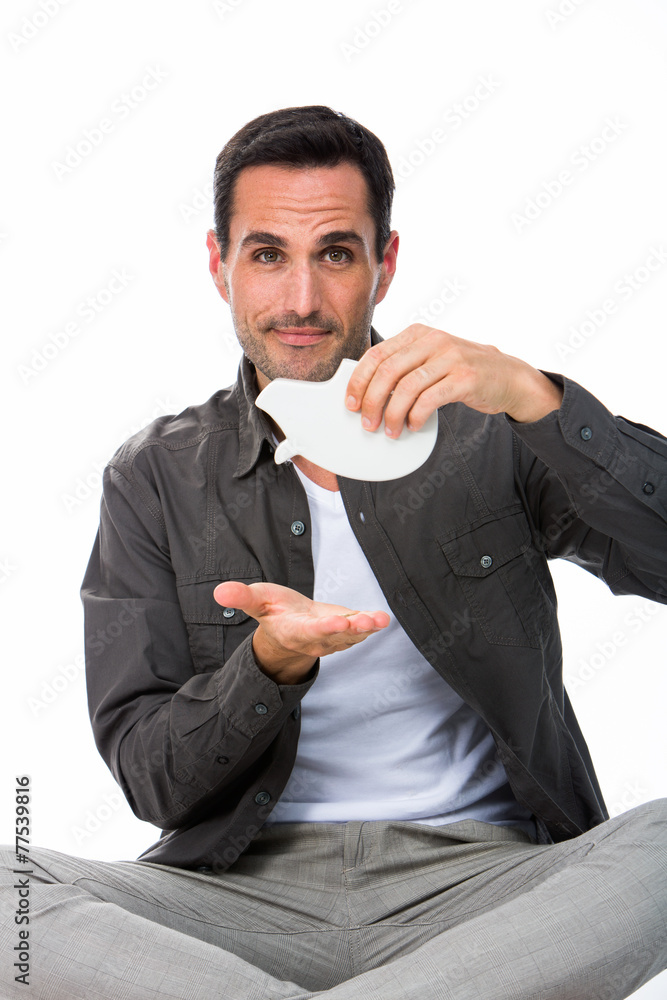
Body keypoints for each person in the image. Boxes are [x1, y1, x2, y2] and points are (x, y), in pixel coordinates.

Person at [1, 105, 666, 999]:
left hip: (488, 892)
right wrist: (266, 667)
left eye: (337, 255)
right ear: (219, 265)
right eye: (268, 254)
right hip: (235, 904)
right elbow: (153, 780)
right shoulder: (156, 473)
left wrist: (537, 396)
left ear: (383, 266)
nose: (302, 301)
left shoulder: (492, 430)